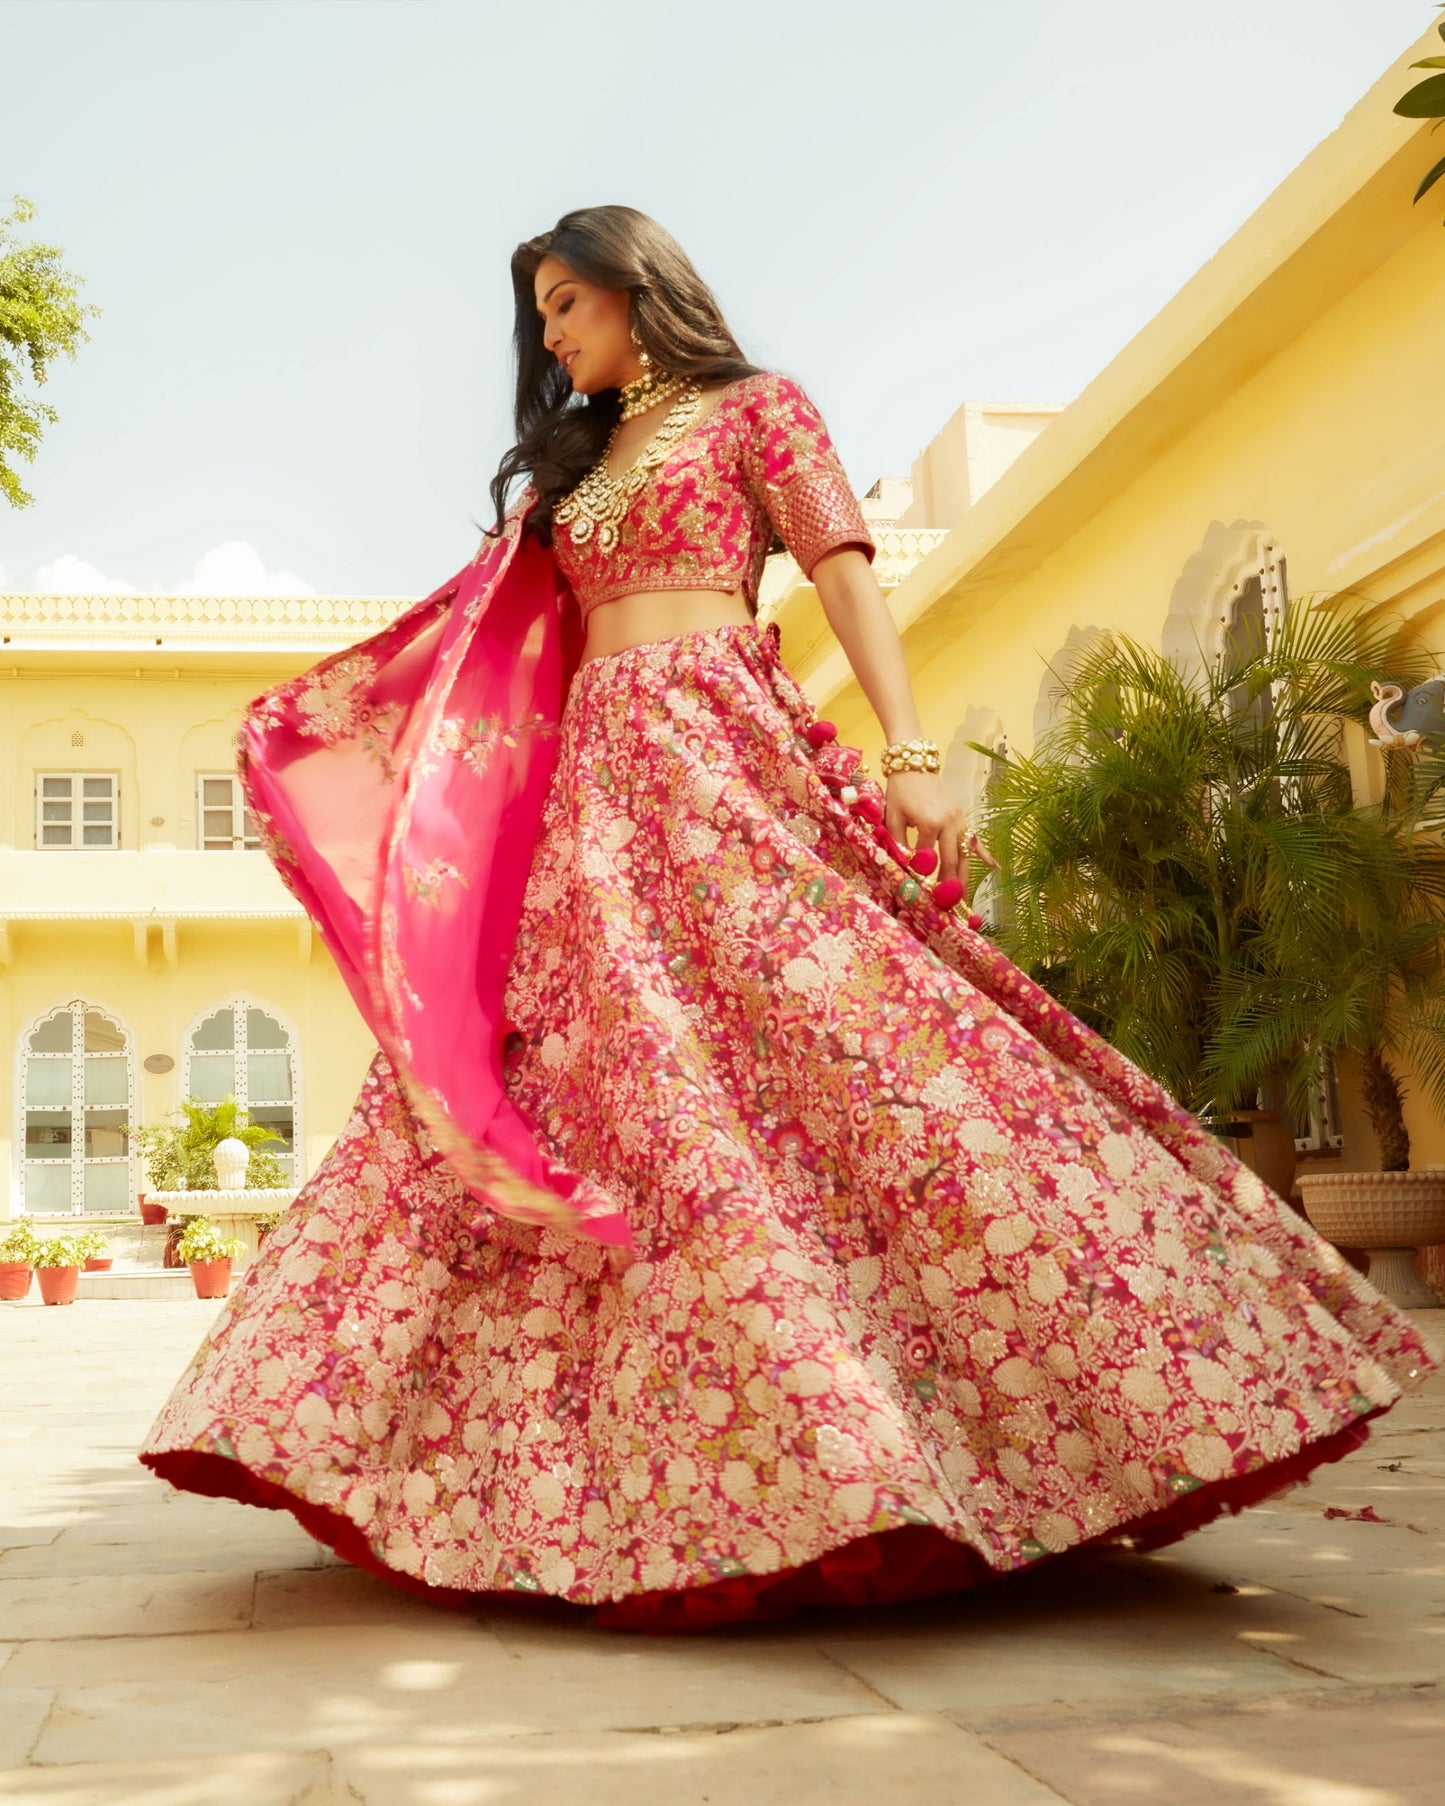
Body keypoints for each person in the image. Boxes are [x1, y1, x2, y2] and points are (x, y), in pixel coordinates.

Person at [141, 206, 1436, 1631]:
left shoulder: (756, 410)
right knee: (591, 1078)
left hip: (724, 751)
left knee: (854, 1036)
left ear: (639, 289)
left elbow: (842, 574)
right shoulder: (571, 470)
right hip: (594, 794)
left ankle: (1013, 1403)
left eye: (569, 303)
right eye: (542, 315)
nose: (551, 336)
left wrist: (910, 751)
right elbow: (497, 650)